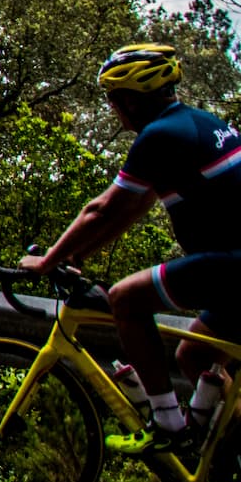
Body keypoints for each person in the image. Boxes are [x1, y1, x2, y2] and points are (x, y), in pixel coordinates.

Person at [22, 44, 240, 454]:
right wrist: (77, 256)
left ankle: (167, 424)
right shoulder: (197, 122)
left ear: (129, 100)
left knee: (126, 299)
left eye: (111, 99)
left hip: (233, 266)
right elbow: (135, 206)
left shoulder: (159, 136)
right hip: (231, 268)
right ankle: (228, 452)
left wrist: (48, 260)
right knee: (193, 356)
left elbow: (103, 208)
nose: (111, 109)